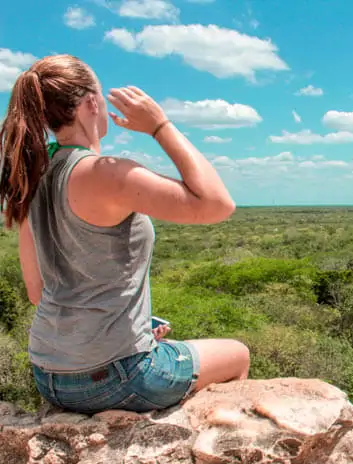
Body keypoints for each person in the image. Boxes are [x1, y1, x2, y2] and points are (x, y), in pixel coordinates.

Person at [0, 54, 250, 414]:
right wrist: (159, 125)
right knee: (237, 354)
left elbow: (38, 292)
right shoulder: (106, 174)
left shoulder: (32, 177)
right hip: (116, 377)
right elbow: (216, 204)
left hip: (48, 373)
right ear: (91, 103)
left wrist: (133, 324)